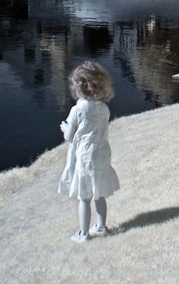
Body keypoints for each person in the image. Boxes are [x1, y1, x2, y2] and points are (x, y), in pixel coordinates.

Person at [58, 61, 120, 243]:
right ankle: (101, 227)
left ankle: (83, 234)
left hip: (86, 156)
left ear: (78, 86)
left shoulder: (78, 109)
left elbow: (69, 136)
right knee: (99, 193)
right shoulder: (104, 108)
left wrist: (64, 127)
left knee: (84, 196)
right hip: (102, 152)